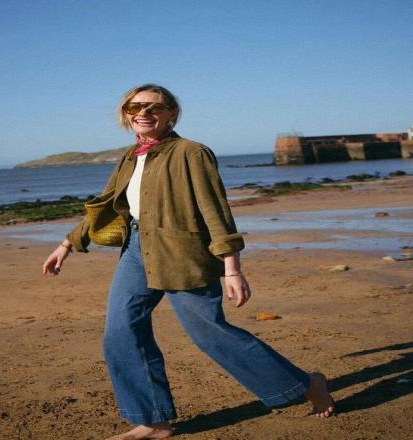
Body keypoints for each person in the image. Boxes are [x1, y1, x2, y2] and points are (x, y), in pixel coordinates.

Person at [43, 84, 335, 439]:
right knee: (120, 331)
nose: (143, 113)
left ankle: (307, 384)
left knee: (209, 333)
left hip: (184, 254)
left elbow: (216, 211)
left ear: (171, 113)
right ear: (125, 114)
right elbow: (107, 204)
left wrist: (232, 269)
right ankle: (153, 421)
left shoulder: (192, 153)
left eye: (153, 107)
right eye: (134, 107)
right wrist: (67, 244)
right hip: (136, 249)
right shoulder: (130, 156)